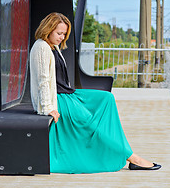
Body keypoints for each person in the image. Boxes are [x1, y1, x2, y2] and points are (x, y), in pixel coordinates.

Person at [29, 12, 161, 174]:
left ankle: (126, 152)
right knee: (89, 124)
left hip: (68, 94)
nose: (62, 37)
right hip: (57, 99)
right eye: (59, 33)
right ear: (47, 29)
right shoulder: (42, 47)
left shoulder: (53, 46)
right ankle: (133, 158)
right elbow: (42, 81)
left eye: (64, 34)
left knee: (106, 98)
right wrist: (47, 108)